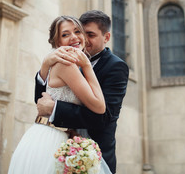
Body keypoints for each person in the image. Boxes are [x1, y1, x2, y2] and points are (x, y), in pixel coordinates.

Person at [8, 16, 111, 174]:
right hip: (51, 141)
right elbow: (99, 106)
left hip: (57, 136)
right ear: (57, 43)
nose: (74, 37)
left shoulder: (66, 63)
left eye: (77, 31)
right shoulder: (66, 64)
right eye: (65, 34)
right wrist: (87, 65)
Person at [35, 10, 129, 174]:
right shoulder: (66, 59)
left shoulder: (116, 66)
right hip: (59, 145)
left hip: (94, 151)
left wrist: (55, 109)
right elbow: (41, 100)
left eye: (90, 34)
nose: (82, 39)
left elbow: (105, 115)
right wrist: (44, 67)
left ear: (106, 38)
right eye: (81, 32)